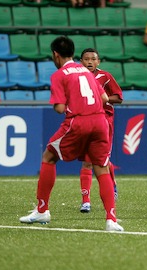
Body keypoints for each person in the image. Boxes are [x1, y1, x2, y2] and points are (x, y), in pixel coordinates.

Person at [19, 36, 123, 232]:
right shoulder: (88, 72)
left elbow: (59, 108)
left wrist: (70, 100)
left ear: (55, 55)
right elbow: (103, 98)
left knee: (48, 156)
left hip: (79, 121)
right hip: (101, 122)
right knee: (101, 168)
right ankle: (111, 219)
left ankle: (42, 209)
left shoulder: (60, 74)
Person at [78, 48, 123, 213]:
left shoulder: (105, 77)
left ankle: (112, 186)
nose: (89, 62)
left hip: (104, 122)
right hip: (84, 121)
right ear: (81, 61)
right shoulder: (76, 77)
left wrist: (101, 98)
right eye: (86, 59)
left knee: (102, 160)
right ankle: (86, 201)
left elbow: (118, 97)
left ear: (98, 62)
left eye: (93, 59)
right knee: (87, 161)